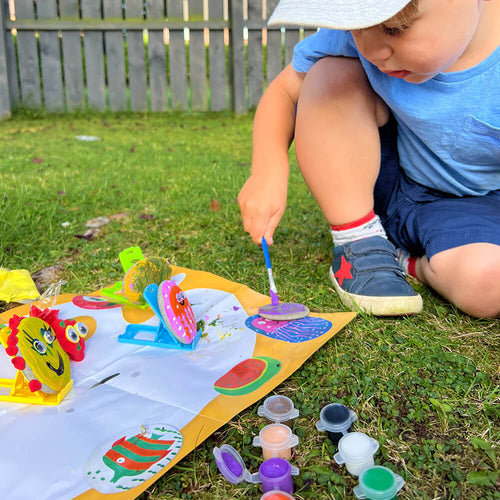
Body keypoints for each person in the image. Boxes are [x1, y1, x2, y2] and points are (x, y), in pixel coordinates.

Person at [238, 0, 500, 318]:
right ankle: (358, 241)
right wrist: (268, 170)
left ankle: (410, 261)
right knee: (330, 73)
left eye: (394, 27)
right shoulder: (360, 47)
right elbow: (285, 91)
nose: (373, 51)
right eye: (356, 28)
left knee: (486, 284)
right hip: (392, 185)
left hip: (479, 211)